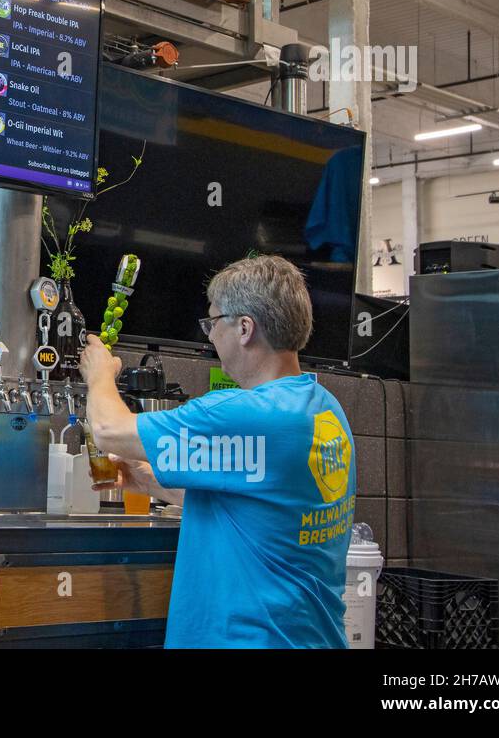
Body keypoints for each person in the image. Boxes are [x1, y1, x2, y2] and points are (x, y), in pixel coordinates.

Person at [79, 254, 356, 648]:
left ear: (245, 327)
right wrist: (151, 482)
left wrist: (100, 375)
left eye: (213, 322)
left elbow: (109, 430)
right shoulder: (324, 408)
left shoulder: (244, 414)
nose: (209, 336)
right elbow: (261, 506)